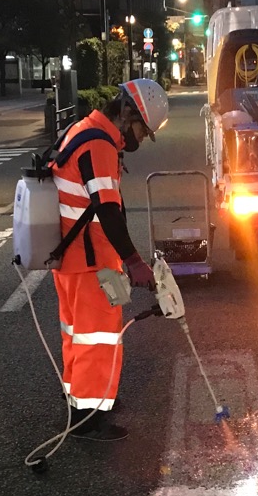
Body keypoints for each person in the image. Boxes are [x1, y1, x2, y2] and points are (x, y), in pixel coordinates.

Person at [49, 78, 170, 442]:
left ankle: (79, 403)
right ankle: (89, 419)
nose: (139, 140)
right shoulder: (99, 145)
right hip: (92, 263)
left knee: (77, 336)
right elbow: (107, 210)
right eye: (141, 130)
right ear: (128, 113)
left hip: (72, 259)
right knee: (98, 339)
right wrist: (133, 261)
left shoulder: (81, 130)